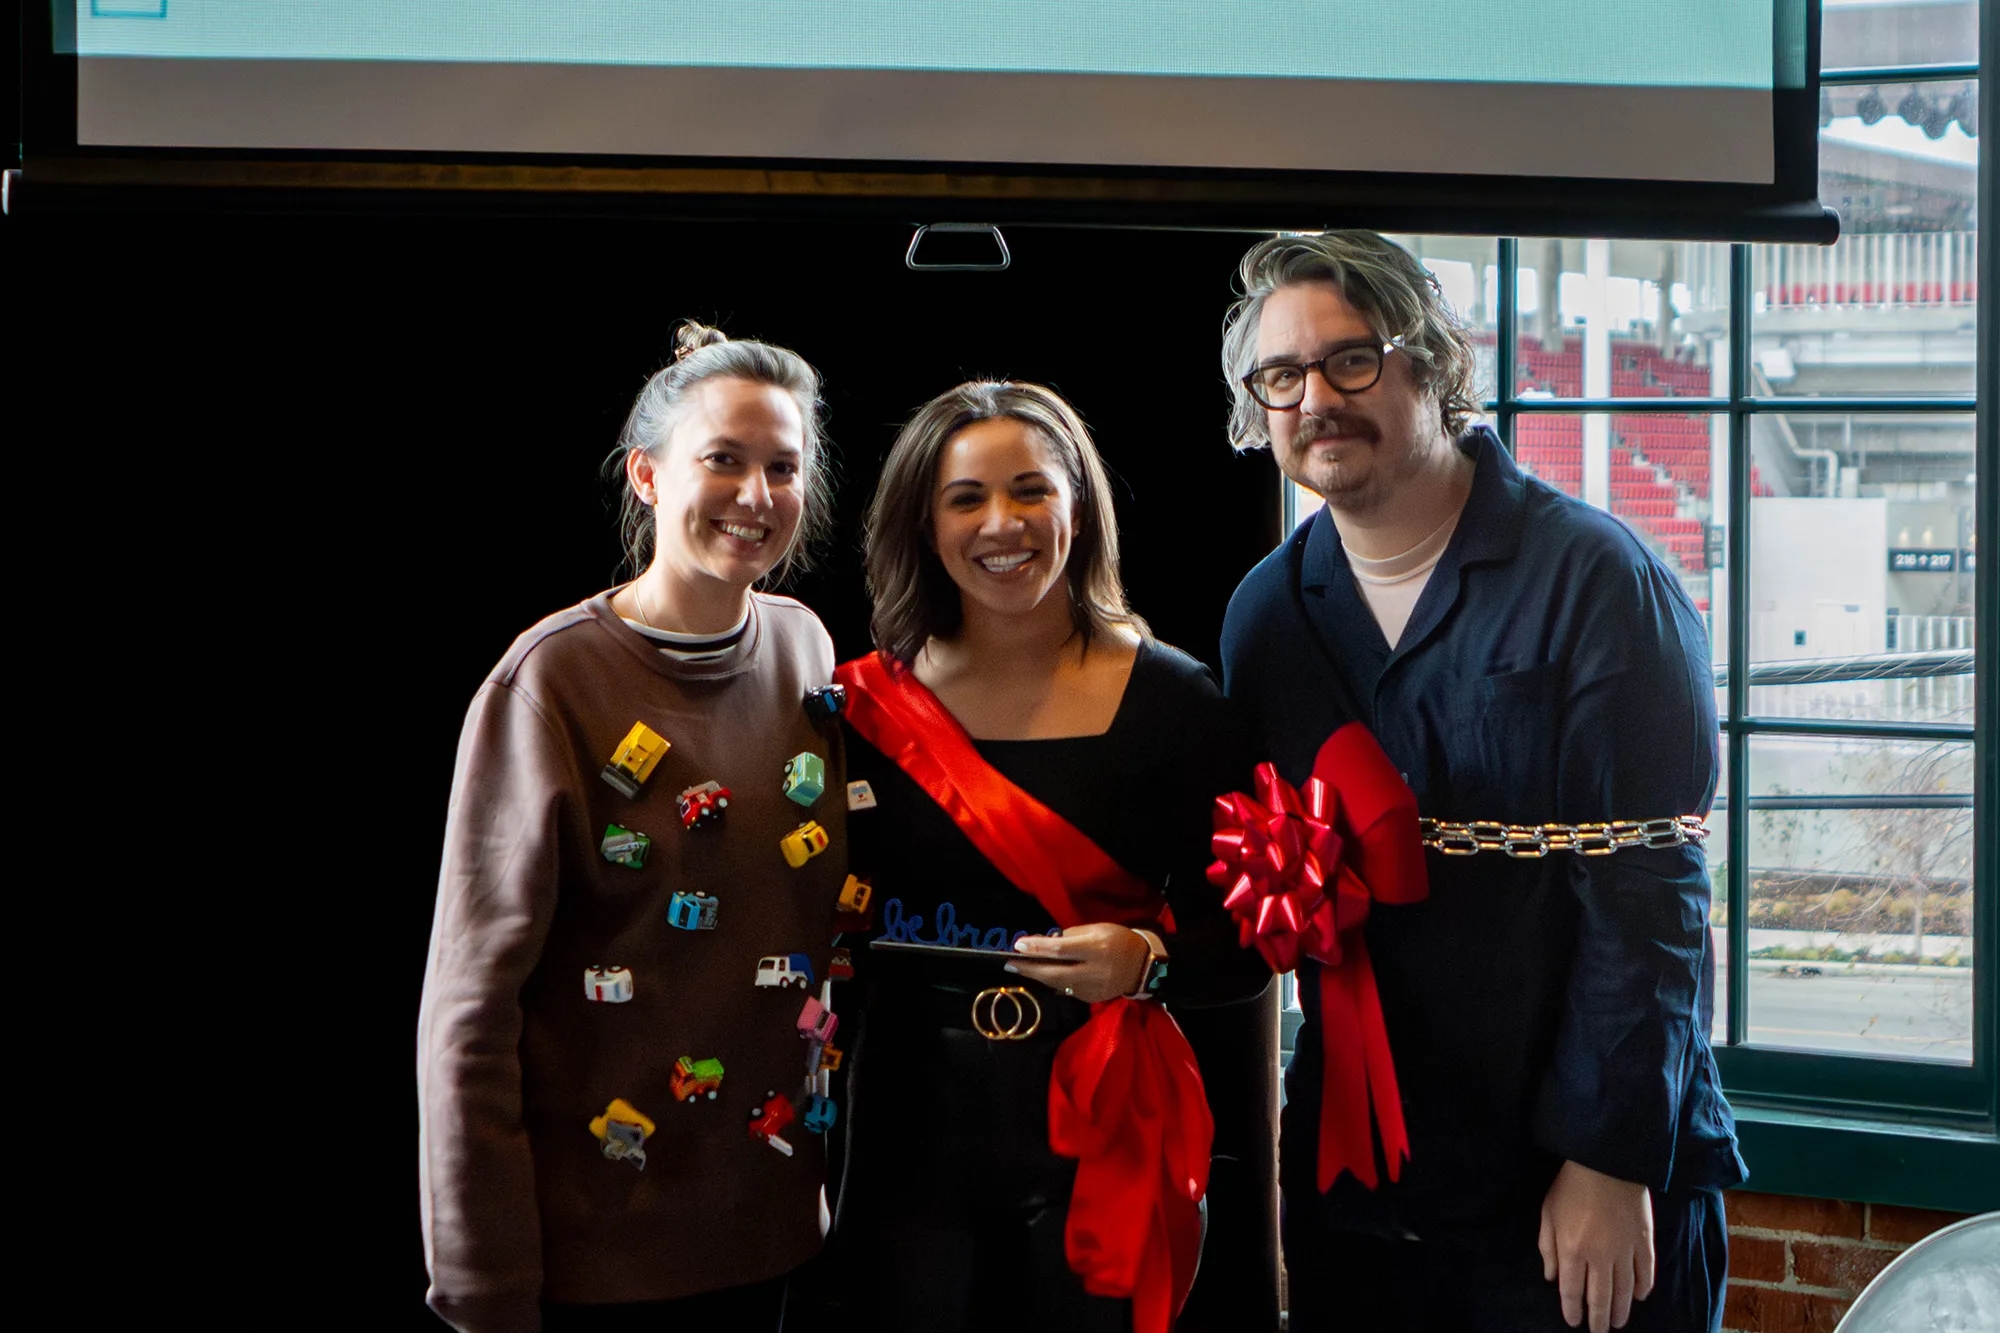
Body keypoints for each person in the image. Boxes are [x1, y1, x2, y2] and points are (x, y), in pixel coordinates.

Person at [1216, 233, 1744, 1333]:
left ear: (1430, 362)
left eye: (1350, 360)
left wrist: (1605, 1158)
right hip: (1362, 1186)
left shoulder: (1599, 581)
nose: (1315, 397)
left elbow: (1651, 895)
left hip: (1565, 1186)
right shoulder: (1265, 617)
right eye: (1281, 376)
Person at [418, 322, 852, 1333]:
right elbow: (469, 1016)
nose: (756, 496)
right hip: (596, 1270)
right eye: (723, 460)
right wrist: (480, 1286)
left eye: (781, 467)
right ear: (648, 477)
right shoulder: (550, 682)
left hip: (774, 1239)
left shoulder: (805, 647)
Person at [823, 381, 1276, 1333]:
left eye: (1032, 489)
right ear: (926, 521)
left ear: (1078, 502)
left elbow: (1254, 936)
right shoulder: (858, 709)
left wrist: (1150, 963)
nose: (1003, 522)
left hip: (1101, 1125)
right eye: (966, 497)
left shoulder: (1181, 703)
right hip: (904, 1133)